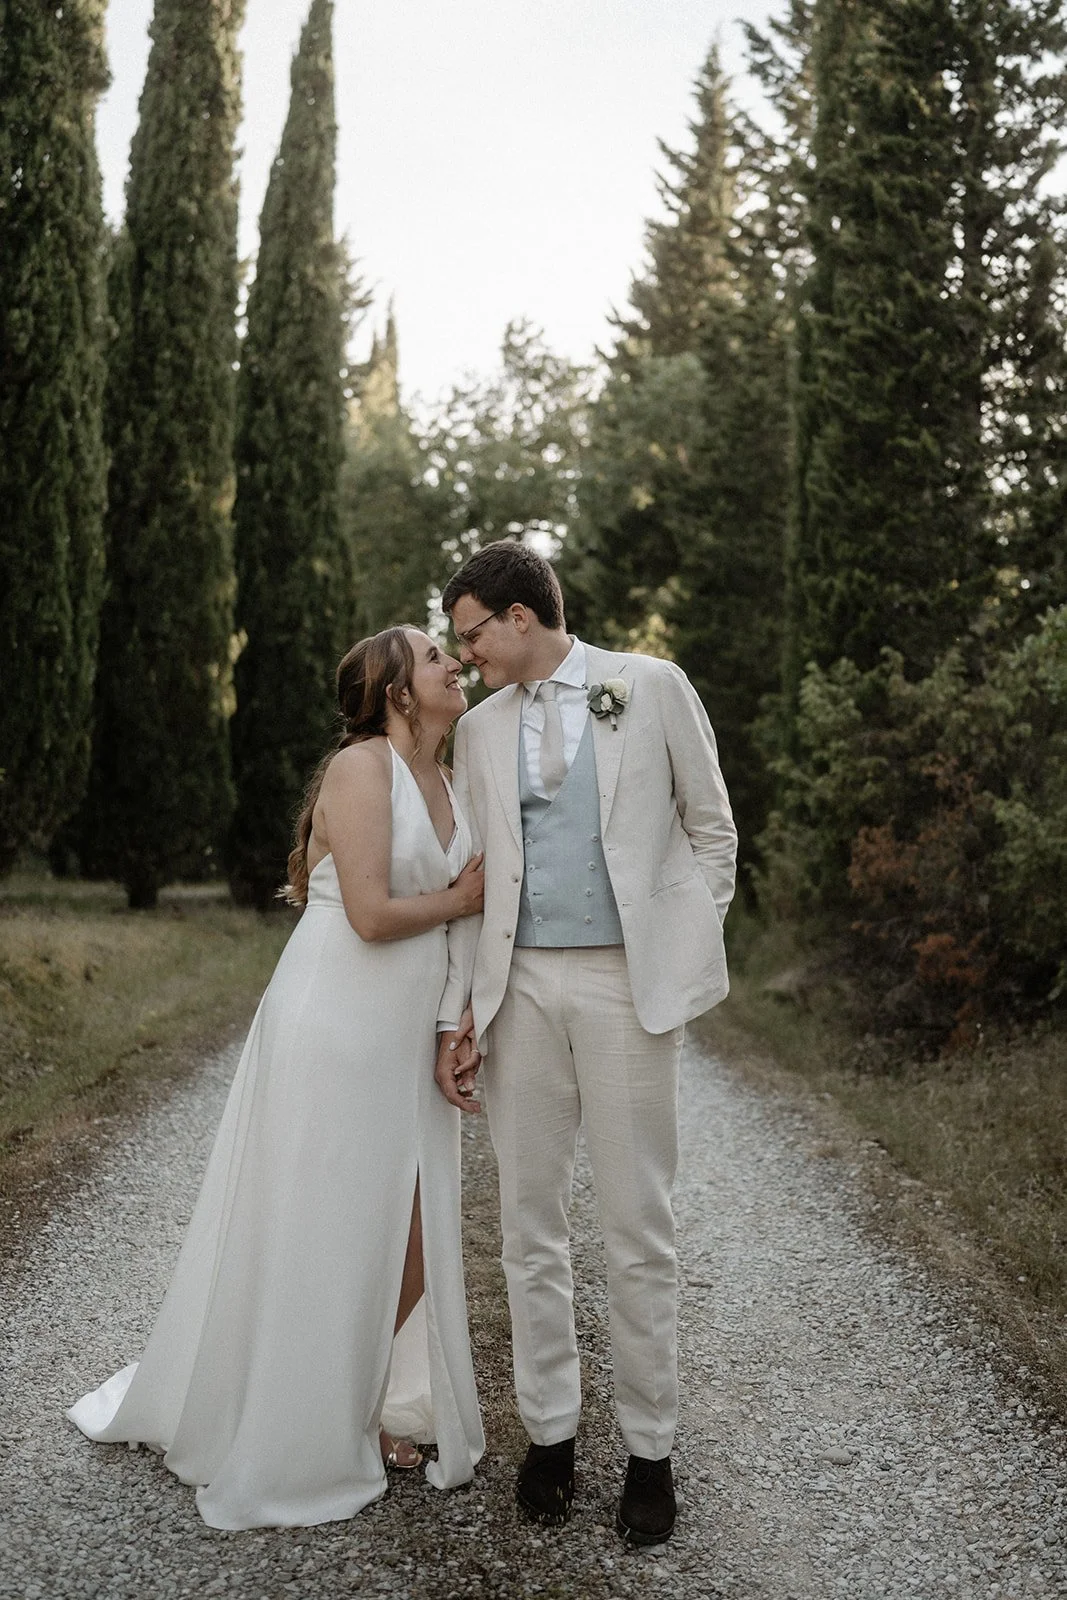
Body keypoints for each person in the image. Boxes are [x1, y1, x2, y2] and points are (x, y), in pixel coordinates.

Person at [67, 626, 486, 1530]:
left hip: (408, 1030)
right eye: (432, 657)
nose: (454, 663)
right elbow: (372, 914)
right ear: (395, 692)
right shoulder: (361, 768)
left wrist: (457, 1024)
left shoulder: (453, 780)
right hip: (335, 1018)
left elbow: (456, 934)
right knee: (324, 1221)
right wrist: (466, 896)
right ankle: (310, 1422)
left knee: (415, 1226)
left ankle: (353, 1394)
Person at [432, 542, 737, 1546]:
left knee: (636, 1222)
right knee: (528, 1225)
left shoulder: (643, 685)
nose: (464, 653)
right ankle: (550, 1434)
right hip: (518, 985)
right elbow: (476, 871)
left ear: (520, 618)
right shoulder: (476, 731)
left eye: (471, 633)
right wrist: (461, 1008)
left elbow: (710, 826)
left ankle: (650, 1451)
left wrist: (682, 938)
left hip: (623, 984)